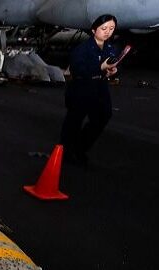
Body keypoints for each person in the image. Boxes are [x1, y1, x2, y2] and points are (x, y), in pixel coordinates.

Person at [59, 14, 119, 166]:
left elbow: (113, 66)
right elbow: (78, 70)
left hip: (100, 88)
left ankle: (80, 148)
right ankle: (64, 154)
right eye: (104, 28)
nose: (108, 32)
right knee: (74, 122)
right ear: (93, 30)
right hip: (81, 88)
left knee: (103, 116)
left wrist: (113, 71)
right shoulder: (82, 49)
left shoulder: (110, 48)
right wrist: (100, 67)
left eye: (111, 28)